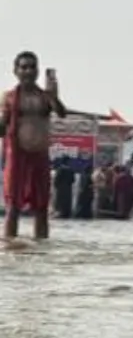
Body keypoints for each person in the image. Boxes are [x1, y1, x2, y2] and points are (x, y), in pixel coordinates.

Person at [1, 52, 67, 239]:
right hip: (17, 156)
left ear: (37, 70)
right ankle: (10, 248)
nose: (28, 71)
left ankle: (41, 255)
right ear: (16, 71)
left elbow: (61, 113)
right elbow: (2, 128)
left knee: (41, 208)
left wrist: (54, 96)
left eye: (32, 67)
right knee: (13, 207)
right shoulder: (9, 97)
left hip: (39, 156)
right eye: (24, 67)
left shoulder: (45, 97)